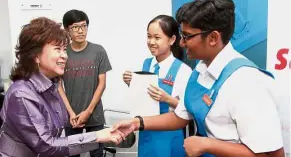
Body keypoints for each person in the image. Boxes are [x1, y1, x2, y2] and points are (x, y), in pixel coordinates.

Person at [114, 0, 285, 157]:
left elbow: (272, 154)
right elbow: (179, 116)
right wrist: (137, 123)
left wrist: (208, 144)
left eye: (187, 36)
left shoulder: (247, 83)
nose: (181, 43)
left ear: (213, 38)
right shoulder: (200, 70)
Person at [0, 17, 125, 157]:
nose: (64, 56)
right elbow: (46, 145)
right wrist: (96, 136)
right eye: (57, 49)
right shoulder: (21, 94)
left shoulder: (51, 86)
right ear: (35, 55)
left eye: (65, 49)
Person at [123, 15, 192, 157]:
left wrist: (167, 99)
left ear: (172, 40)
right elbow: (143, 99)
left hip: (169, 136)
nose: (151, 42)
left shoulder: (183, 70)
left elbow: (189, 112)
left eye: (157, 37)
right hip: (146, 132)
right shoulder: (147, 64)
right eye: (149, 36)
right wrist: (132, 83)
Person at [58, 9, 112, 157]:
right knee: (72, 153)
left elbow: (102, 84)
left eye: (84, 26)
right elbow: (58, 86)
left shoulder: (98, 51)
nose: (81, 31)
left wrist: (88, 112)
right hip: (72, 117)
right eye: (75, 27)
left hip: (94, 115)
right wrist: (70, 112)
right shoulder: (62, 53)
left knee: (96, 154)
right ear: (67, 30)